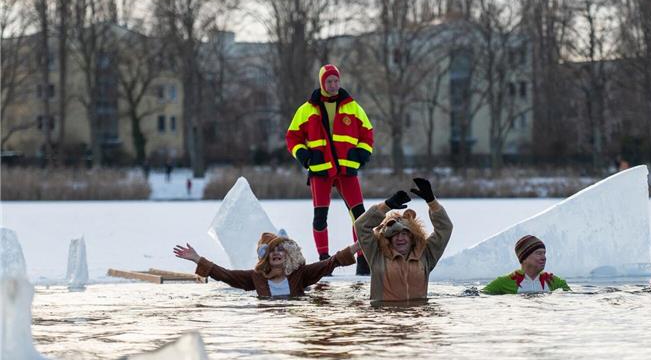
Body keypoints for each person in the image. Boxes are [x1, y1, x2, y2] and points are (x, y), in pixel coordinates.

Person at [286, 64, 374, 275]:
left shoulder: (353, 107)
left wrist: (361, 153)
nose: (333, 85)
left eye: (336, 81)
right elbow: (292, 137)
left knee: (360, 216)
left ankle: (363, 260)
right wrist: (304, 155)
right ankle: (324, 262)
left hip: (347, 170)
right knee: (320, 217)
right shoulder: (306, 109)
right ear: (322, 83)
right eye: (329, 81)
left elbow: (367, 133)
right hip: (320, 170)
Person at [173, 230, 358, 298]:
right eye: (271, 251)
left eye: (280, 249)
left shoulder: (300, 274)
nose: (276, 253)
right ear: (266, 257)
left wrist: (357, 246)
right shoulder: (256, 278)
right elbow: (225, 274)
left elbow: (331, 262)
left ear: (287, 254)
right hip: (267, 323)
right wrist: (198, 259)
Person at [355, 177, 452, 302]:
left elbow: (445, 228)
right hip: (382, 312)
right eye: (395, 234)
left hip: (418, 312)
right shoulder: (377, 254)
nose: (400, 238)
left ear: (412, 236)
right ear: (389, 238)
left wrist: (432, 202)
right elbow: (361, 226)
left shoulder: (426, 254)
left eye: (405, 233)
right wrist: (386, 206)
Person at [482, 235, 571, 294]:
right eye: (539, 253)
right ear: (524, 258)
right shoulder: (504, 282)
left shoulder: (555, 282)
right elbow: (481, 295)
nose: (544, 257)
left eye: (544, 253)